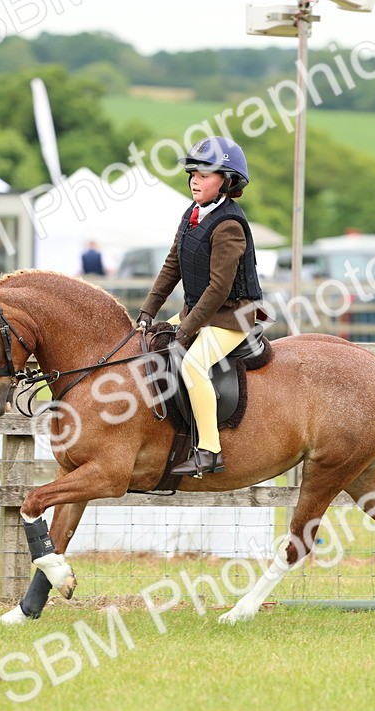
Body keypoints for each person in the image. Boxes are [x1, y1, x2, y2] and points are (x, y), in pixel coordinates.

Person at [136, 136, 264, 477]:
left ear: (227, 181)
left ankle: (210, 450)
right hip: (199, 310)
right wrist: (149, 311)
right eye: (193, 172)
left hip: (231, 316)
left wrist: (187, 329)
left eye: (205, 174)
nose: (195, 179)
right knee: (152, 344)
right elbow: (172, 265)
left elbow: (219, 289)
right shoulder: (191, 214)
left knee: (192, 365)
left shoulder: (229, 226)